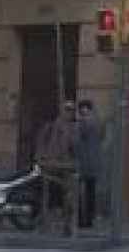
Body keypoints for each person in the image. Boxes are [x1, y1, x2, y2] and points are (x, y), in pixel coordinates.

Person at [37, 100, 77, 235]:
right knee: (49, 194)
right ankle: (46, 222)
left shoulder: (72, 127)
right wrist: (42, 158)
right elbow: (43, 143)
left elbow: (73, 145)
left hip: (66, 166)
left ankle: (66, 225)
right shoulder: (52, 126)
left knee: (68, 195)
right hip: (52, 165)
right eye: (67, 110)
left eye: (71, 110)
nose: (70, 113)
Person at [73, 100, 104, 230]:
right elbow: (102, 138)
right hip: (94, 161)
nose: (81, 113)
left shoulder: (84, 123)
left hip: (83, 162)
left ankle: (81, 219)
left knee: (79, 192)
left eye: (82, 110)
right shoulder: (98, 122)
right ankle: (89, 219)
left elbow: (76, 140)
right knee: (90, 192)